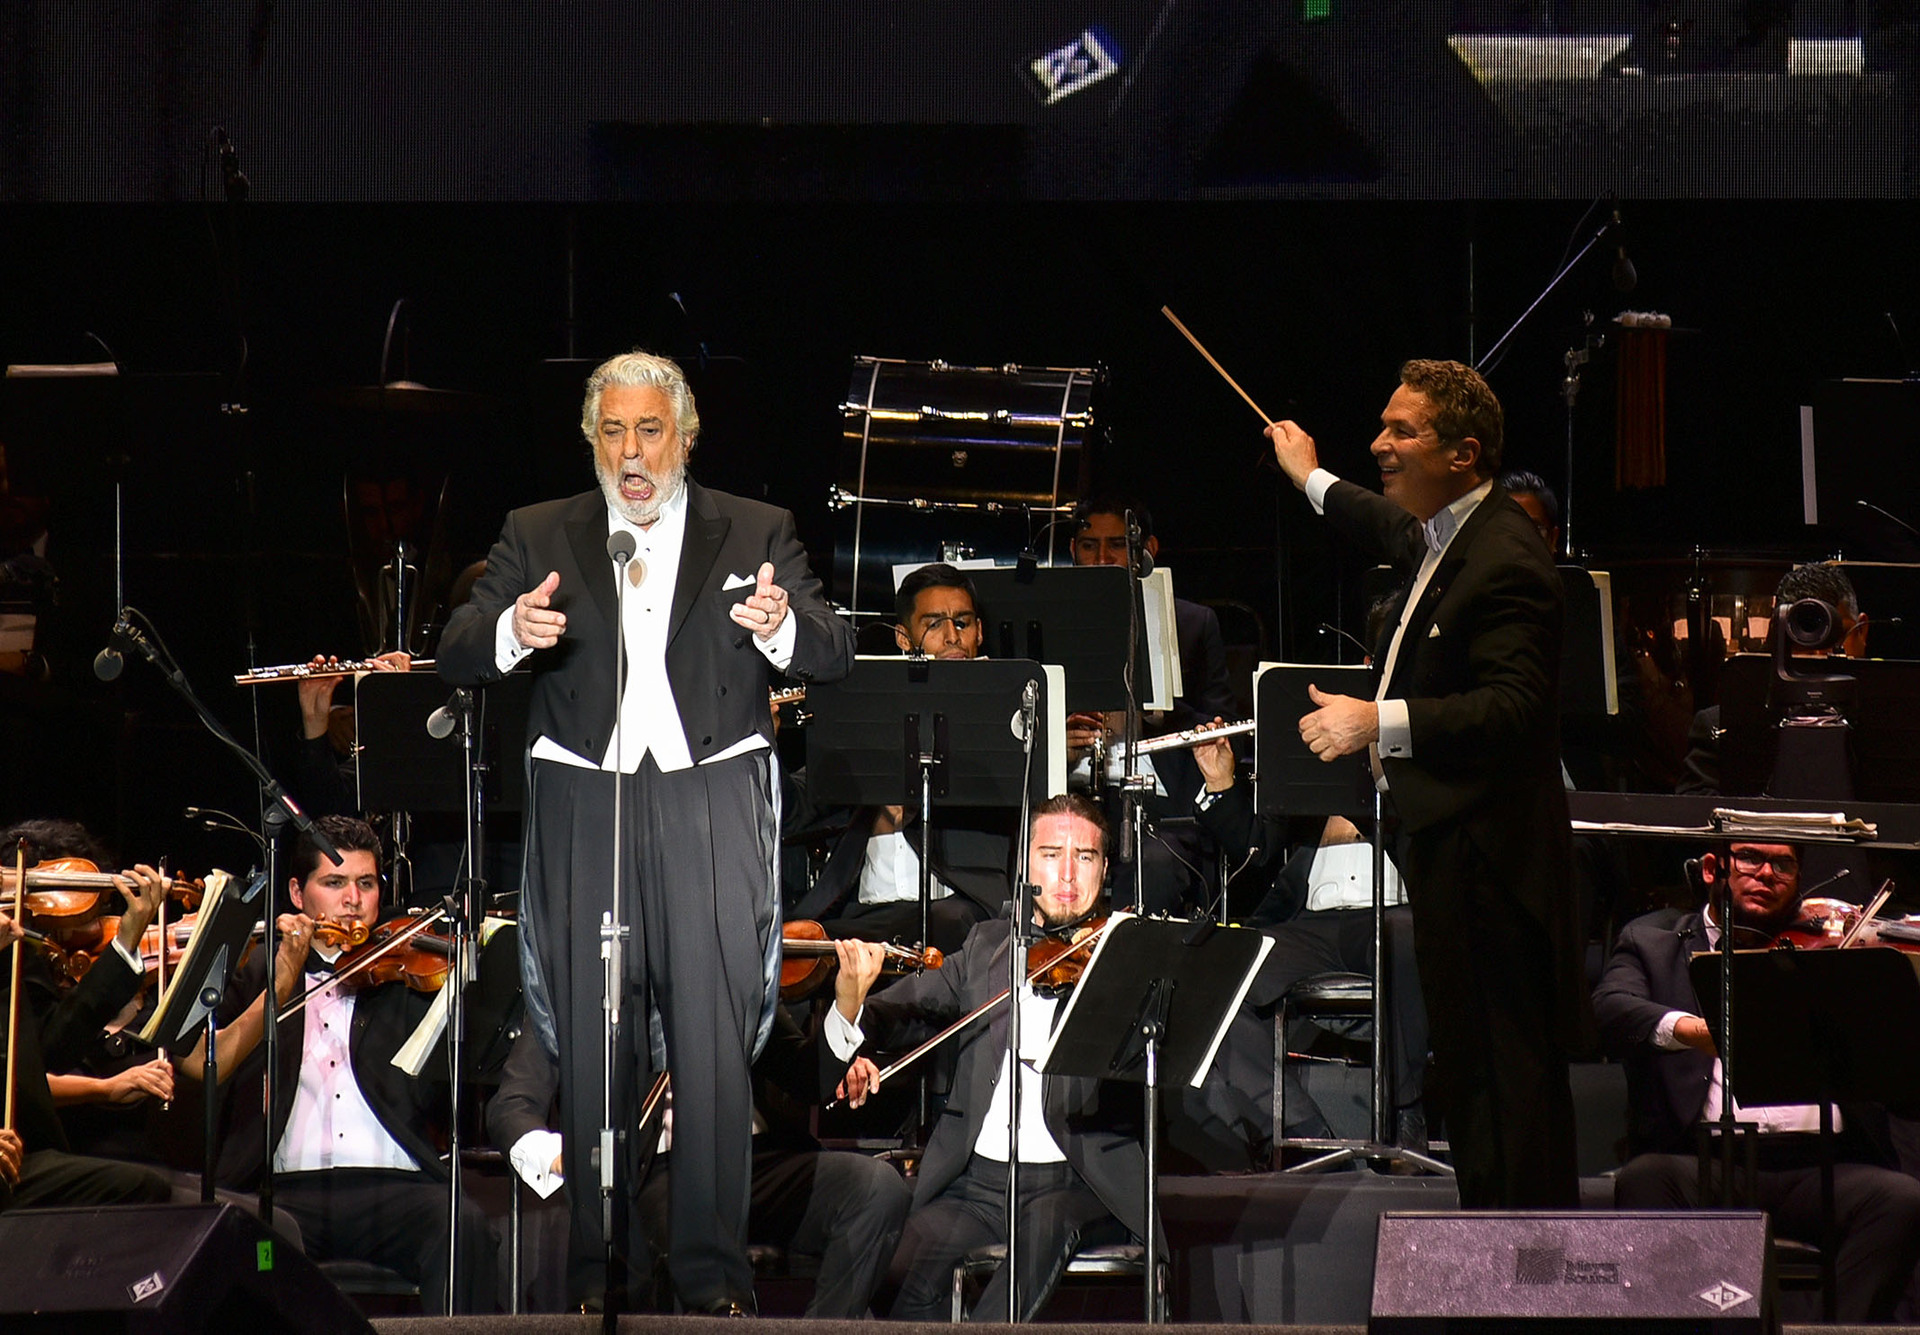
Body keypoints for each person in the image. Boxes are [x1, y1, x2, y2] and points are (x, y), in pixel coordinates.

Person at [436, 349, 856, 1315]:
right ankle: (598, 1277)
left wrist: (780, 626)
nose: (632, 452)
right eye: (613, 431)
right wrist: (512, 633)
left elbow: (831, 647)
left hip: (710, 796)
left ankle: (714, 1282)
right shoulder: (538, 529)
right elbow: (457, 646)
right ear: (592, 439)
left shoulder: (755, 527)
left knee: (711, 1041)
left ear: (686, 437)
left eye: (650, 431)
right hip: (588, 795)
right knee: (595, 1036)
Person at [1267, 358, 1586, 1208]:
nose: (1379, 443)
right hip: (1452, 855)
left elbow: (1514, 707)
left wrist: (1380, 720)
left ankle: (1531, 1260)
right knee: (1473, 1082)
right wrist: (1309, 476)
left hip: (1495, 868)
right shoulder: (1443, 533)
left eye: (1401, 431)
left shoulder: (1507, 558)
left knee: (1508, 1087)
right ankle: (1495, 1250)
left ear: (1463, 453)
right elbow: (1379, 522)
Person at [830, 793, 1155, 1321]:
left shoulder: (1124, 957)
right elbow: (901, 1007)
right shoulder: (986, 946)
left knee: (1041, 1235)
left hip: (1074, 1182)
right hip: (976, 1184)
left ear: (1103, 870)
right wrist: (854, 1037)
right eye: (1050, 854)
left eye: (1084, 857)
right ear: (1025, 864)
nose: (1067, 874)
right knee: (900, 1266)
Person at [1593, 840, 1920, 1321]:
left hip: (1821, 1166)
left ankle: (1832, 1331)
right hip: (1708, 1162)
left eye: (1783, 864)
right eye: (1750, 858)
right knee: (1646, 1180)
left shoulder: (1835, 947)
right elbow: (1612, 1009)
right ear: (1712, 869)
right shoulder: (1653, 942)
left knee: (1901, 1200)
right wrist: (1696, 1031)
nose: (1766, 873)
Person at [184, 815, 496, 1314]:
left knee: (462, 1225)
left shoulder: (406, 969)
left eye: (366, 884)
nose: (353, 899)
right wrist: (281, 982)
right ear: (296, 892)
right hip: (285, 1195)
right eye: (334, 883)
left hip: (395, 1189)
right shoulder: (256, 970)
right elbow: (201, 1064)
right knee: (237, 1241)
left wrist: (462, 988)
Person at [487, 1006, 909, 1317]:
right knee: (689, 1238)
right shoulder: (585, 967)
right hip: (659, 1171)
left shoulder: (729, 960)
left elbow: (804, 1074)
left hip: (753, 1160)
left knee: (877, 1188)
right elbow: (512, 1105)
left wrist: (846, 1006)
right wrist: (565, 1157)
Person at [1185, 725, 1430, 1151]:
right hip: (1314, 923)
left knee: (1404, 943)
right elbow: (1255, 852)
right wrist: (1221, 782)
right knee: (1221, 974)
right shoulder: (1310, 759)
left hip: (1400, 911)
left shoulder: (1416, 739)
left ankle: (1405, 1116)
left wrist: (1368, 780)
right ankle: (1302, 1133)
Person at [786, 563, 1010, 955]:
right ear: (904, 638)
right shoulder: (866, 718)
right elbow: (797, 806)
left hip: (959, 907)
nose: (952, 636)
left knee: (948, 923)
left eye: (962, 622)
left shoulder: (1007, 715)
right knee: (790, 949)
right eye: (934, 623)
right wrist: (763, 743)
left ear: (979, 631)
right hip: (864, 913)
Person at [1068, 494, 1239, 915]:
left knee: (1154, 866)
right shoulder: (1045, 617)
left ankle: (1129, 956)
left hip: (1157, 804)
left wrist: (1166, 714)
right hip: (1070, 793)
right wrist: (1057, 740)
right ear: (1073, 549)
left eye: (1117, 545)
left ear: (1148, 549)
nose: (1102, 559)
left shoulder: (1193, 623)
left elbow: (1227, 728)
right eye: (1089, 546)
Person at [0, 844, 174, 1213]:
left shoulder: (13, 952)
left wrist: (127, 939)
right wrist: (105, 1089)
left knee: (147, 1187)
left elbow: (52, 1049)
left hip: (16, 1153)